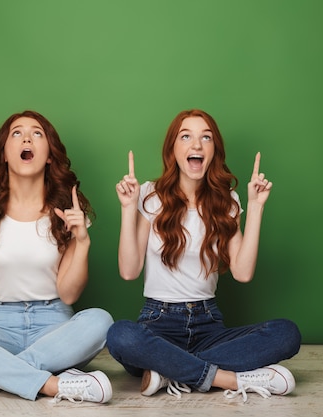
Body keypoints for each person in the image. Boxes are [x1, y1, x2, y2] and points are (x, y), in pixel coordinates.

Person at [106, 109, 301, 403]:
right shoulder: (150, 195)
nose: (196, 145)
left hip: (207, 323)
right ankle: (227, 378)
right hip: (157, 322)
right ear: (174, 149)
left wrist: (256, 207)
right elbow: (129, 270)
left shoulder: (226, 202)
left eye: (205, 138)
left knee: (287, 333)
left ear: (214, 151)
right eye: (186, 136)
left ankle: (169, 370)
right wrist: (127, 208)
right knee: (121, 336)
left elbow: (243, 273)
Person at [0, 110, 114, 404]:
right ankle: (52, 385)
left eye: (37, 133)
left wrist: (82, 242)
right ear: (4, 153)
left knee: (101, 321)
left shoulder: (68, 212)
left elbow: (68, 293)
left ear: (50, 155)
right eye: (17, 133)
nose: (27, 137)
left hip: (55, 328)